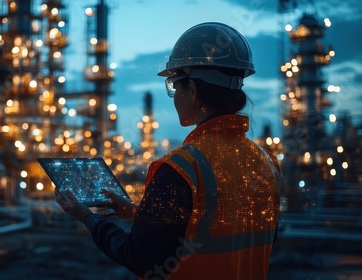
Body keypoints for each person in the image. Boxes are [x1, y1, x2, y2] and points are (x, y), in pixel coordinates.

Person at [55, 22, 280, 280]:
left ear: (192, 90)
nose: (173, 95)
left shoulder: (182, 168)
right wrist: (138, 214)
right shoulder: (267, 164)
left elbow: (136, 256)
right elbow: (216, 229)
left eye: (175, 85)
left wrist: (86, 217)